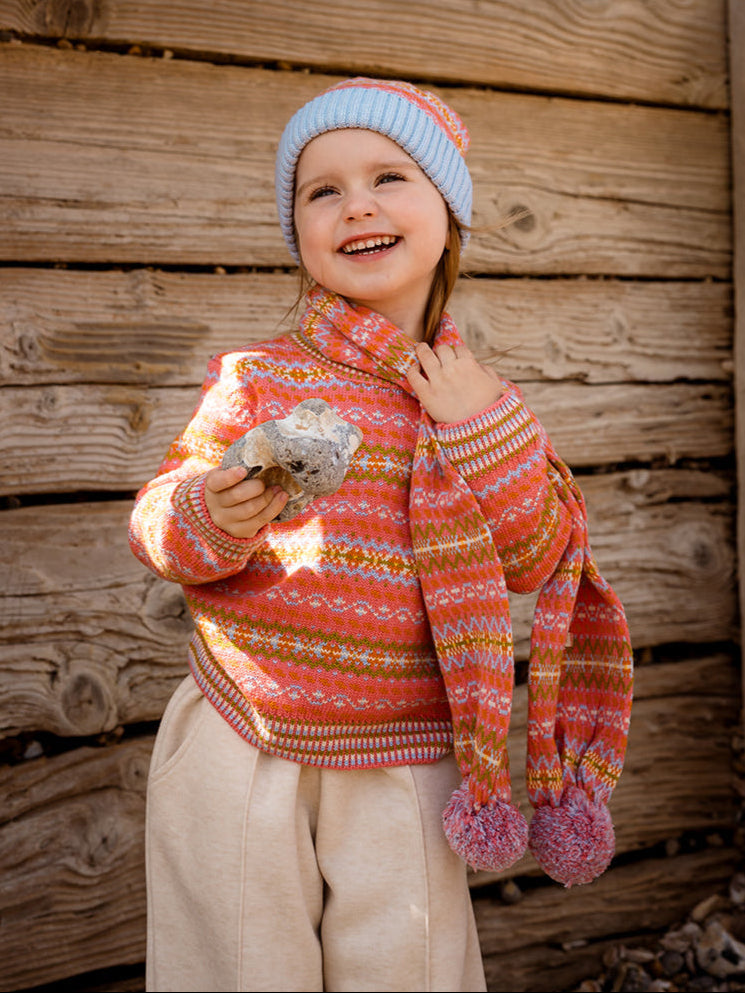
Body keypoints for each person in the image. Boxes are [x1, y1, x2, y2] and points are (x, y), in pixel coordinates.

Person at [129, 77, 634, 993]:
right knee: (235, 965)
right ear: (299, 232)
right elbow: (157, 524)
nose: (355, 204)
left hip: (407, 755)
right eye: (322, 190)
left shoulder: (477, 400)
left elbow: (534, 556)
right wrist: (209, 512)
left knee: (410, 967)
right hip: (245, 738)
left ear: (449, 210)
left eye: (388, 177)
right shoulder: (259, 380)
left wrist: (482, 427)